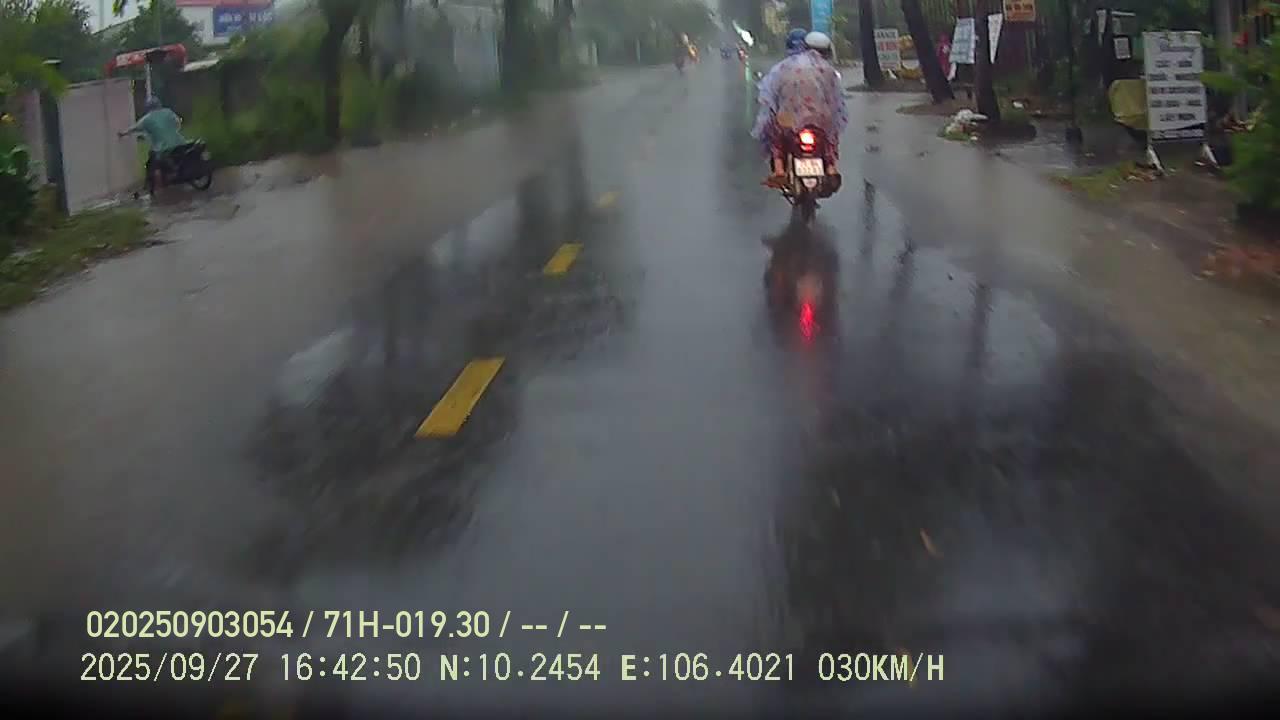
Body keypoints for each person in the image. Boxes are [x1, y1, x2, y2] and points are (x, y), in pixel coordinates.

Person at [750, 31, 848, 188]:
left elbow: (768, 95)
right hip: (820, 119)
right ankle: (831, 167)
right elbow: (837, 100)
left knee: (776, 134)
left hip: (790, 119)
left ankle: (779, 169)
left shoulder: (782, 67)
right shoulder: (829, 70)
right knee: (830, 135)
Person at [118, 96, 188, 179]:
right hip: (180, 142)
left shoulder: (147, 118)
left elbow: (134, 128)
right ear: (159, 105)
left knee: (154, 163)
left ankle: (159, 181)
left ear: (148, 108)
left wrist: (123, 133)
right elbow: (178, 123)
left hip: (162, 148)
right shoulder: (168, 112)